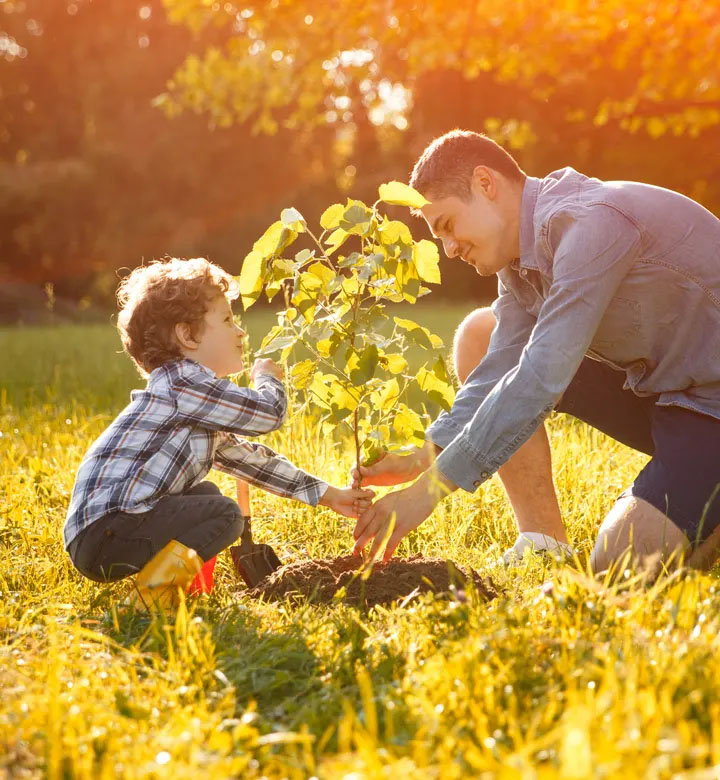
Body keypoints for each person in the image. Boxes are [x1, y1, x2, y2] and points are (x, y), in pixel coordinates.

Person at [352, 129, 720, 573]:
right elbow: (497, 370)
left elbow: (541, 378)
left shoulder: (590, 224)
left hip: (710, 404)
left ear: (486, 184)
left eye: (447, 226)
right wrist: (423, 456)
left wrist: (426, 493)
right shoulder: (520, 264)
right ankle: (544, 541)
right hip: (663, 392)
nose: (448, 249)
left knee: (619, 565)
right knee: (480, 334)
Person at [64, 257, 373, 596]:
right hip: (109, 530)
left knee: (207, 497)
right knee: (225, 514)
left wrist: (331, 497)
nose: (240, 330)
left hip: (101, 535)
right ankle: (155, 597)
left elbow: (254, 462)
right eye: (227, 319)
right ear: (187, 334)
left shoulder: (192, 403)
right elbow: (268, 413)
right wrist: (267, 378)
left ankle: (182, 590)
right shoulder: (184, 383)